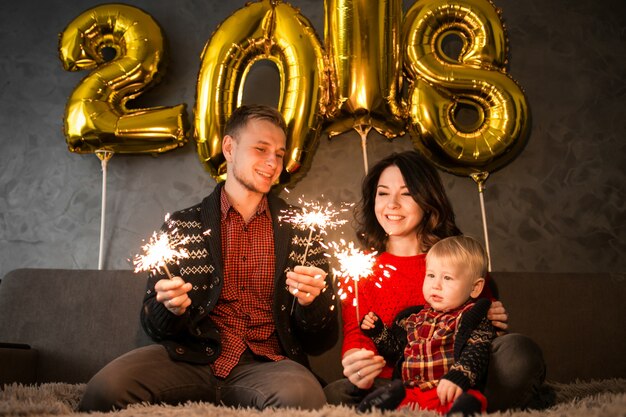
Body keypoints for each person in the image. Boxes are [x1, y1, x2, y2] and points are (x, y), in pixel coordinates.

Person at [79, 104, 339, 411]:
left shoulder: (302, 232)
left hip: (270, 366)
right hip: (189, 358)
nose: (273, 162)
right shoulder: (183, 225)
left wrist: (312, 304)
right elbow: (155, 326)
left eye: (279, 154)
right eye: (261, 149)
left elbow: (321, 340)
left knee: (303, 398)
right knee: (107, 388)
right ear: (229, 148)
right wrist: (169, 309)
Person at [323, 150, 545, 412]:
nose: (391, 204)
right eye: (383, 193)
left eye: (406, 194)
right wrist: (355, 361)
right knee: (336, 393)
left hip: (462, 378)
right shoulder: (360, 266)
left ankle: (462, 405)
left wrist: (493, 319)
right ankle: (425, 406)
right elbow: (356, 333)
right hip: (396, 382)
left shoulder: (456, 256)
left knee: (519, 353)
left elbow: (483, 332)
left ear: (427, 201)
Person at [358, 235, 496, 415]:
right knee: (399, 395)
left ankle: (463, 410)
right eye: (431, 275)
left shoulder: (471, 317)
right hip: (412, 389)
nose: (436, 285)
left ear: (475, 288)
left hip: (446, 389)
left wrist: (458, 377)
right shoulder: (414, 318)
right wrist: (378, 331)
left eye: (447, 278)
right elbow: (397, 351)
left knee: (470, 398)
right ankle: (378, 405)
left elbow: (477, 351)